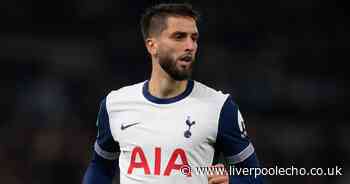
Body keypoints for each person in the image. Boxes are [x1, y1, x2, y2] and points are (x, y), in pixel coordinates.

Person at [83, 3, 263, 184]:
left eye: (194, 38)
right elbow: (100, 167)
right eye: (179, 37)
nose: (190, 46)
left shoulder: (219, 107)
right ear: (152, 46)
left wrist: (232, 182)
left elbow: (255, 177)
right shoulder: (115, 105)